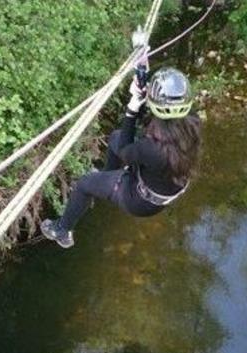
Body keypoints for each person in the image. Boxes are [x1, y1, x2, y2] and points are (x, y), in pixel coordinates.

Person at [40, 67, 202, 248]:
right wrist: (144, 95)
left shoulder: (151, 149)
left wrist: (132, 109)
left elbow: (125, 151)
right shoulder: (191, 121)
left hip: (139, 200)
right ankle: (108, 176)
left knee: (84, 184)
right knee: (116, 137)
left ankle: (62, 230)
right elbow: (142, 130)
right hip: (162, 182)